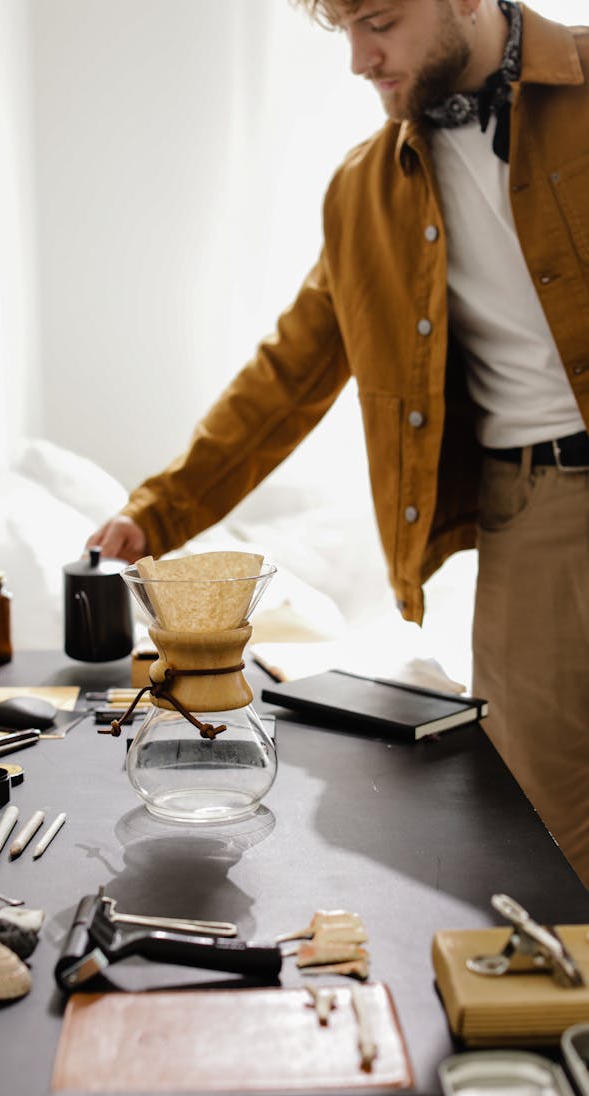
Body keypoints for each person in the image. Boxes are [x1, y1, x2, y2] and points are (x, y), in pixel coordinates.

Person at [88, 0, 589, 887]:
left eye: (381, 22)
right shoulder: (363, 194)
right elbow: (288, 376)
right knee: (542, 827)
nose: (361, 58)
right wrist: (156, 511)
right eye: (345, 29)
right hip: (531, 517)